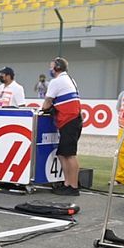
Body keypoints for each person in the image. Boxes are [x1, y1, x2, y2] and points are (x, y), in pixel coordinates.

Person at [41, 57, 83, 195]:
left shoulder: (56, 81)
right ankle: (68, 183)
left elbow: (46, 103)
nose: (50, 69)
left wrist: (46, 108)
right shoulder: (70, 79)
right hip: (72, 119)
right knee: (62, 154)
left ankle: (73, 186)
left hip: (69, 120)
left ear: (57, 68)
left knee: (69, 155)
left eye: (51, 66)